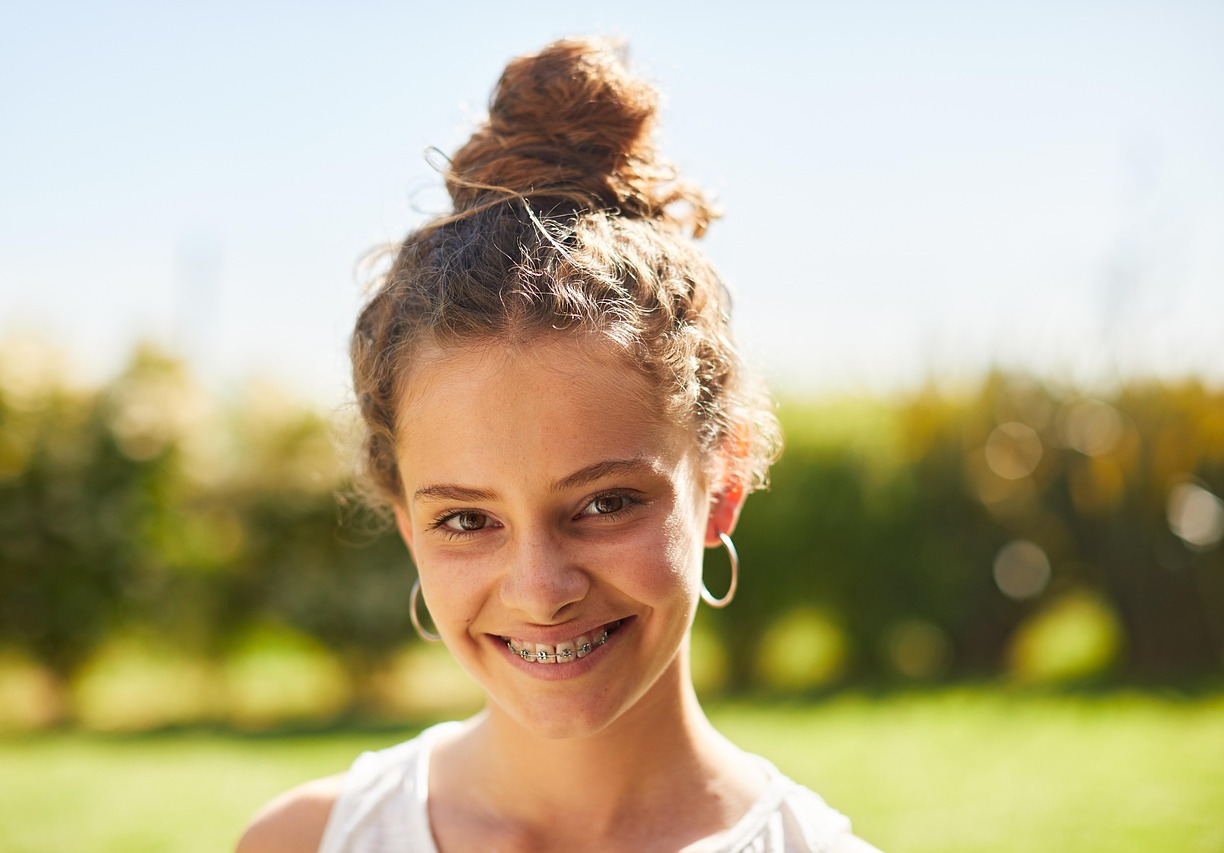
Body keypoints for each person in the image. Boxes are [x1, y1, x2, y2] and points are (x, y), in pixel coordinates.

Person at [237, 37, 880, 853]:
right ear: (405, 521)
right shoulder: (305, 842)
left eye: (605, 503)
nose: (542, 591)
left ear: (722, 483)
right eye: (467, 520)